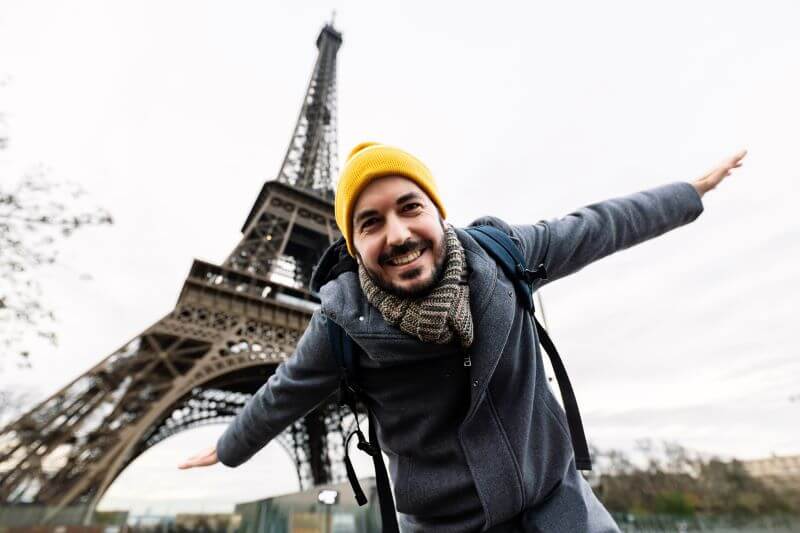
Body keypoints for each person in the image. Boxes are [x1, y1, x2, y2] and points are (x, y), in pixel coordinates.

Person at [179, 142, 747, 532]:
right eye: (371, 222)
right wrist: (231, 447)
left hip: (561, 509)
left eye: (410, 208)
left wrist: (689, 191)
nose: (398, 234)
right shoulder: (338, 325)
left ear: (437, 212)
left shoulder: (504, 256)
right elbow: (285, 391)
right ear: (353, 246)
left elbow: (601, 224)